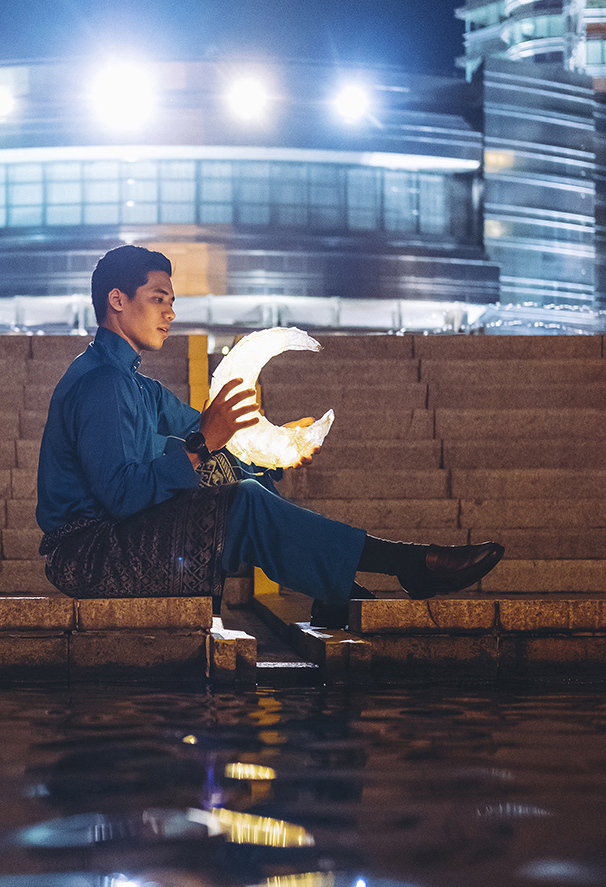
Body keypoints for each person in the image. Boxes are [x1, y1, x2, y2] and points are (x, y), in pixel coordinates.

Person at [36, 245, 503, 625]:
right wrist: (203, 444)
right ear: (118, 300)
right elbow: (121, 496)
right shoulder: (101, 384)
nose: (171, 313)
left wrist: (276, 450)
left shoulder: (137, 385)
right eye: (159, 298)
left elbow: (216, 436)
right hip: (89, 554)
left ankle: (345, 588)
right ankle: (405, 565)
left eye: (173, 301)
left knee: (243, 476)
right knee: (243, 501)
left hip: (119, 539)